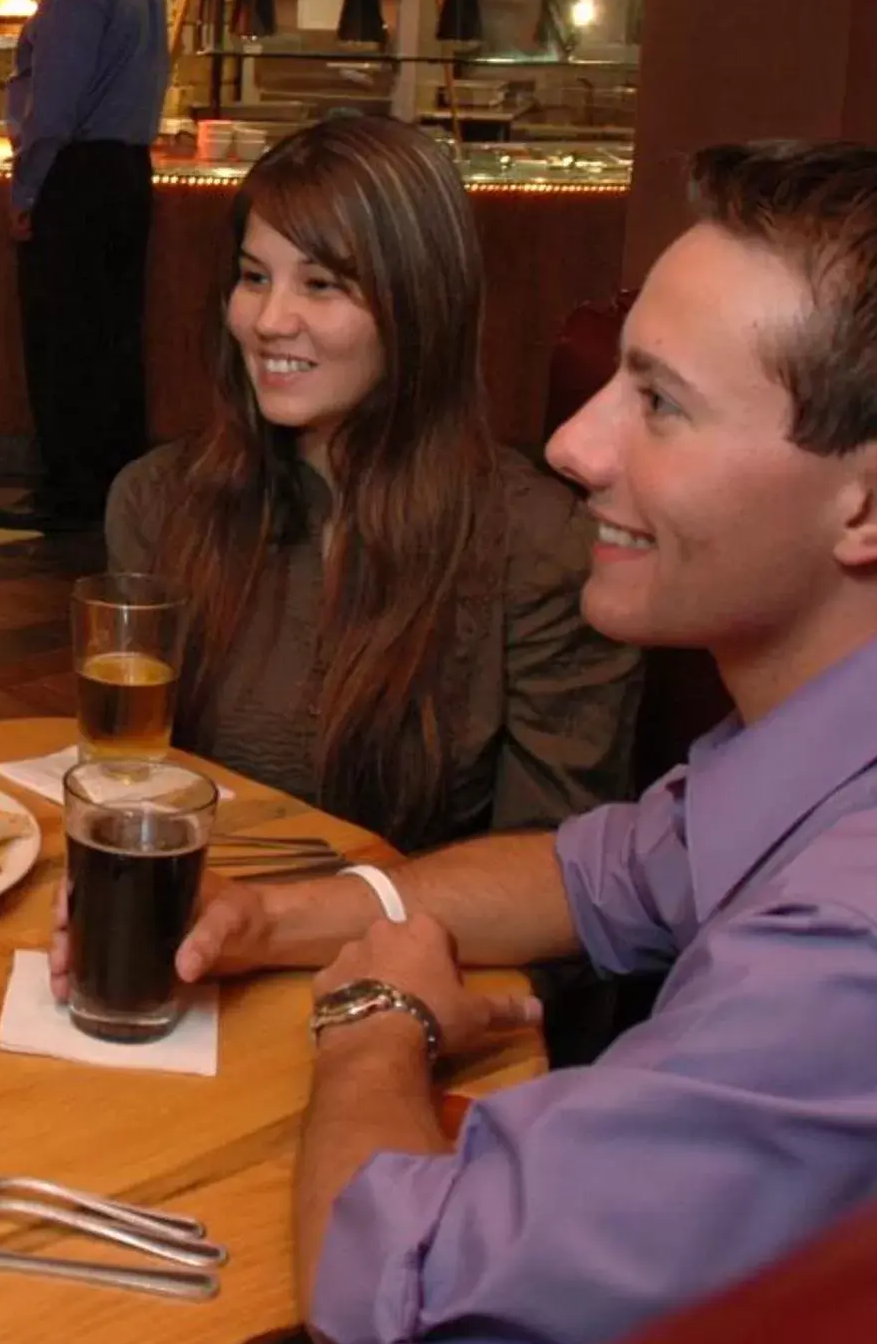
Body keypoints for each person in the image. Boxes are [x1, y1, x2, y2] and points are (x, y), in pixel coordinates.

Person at [72, 142, 877, 1344]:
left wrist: (377, 1019)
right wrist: (266, 918)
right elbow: (596, 873)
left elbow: (398, 1301)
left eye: (658, 401)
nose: (574, 445)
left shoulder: (875, 957)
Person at [105, 116, 639, 849]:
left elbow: (555, 885)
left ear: (419, 307)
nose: (267, 319)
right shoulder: (158, 502)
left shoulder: (541, 550)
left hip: (411, 954)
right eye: (253, 276)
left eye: (320, 284)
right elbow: (130, 789)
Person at [0, 0, 174, 533]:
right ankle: (115, 490)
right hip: (128, 172)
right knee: (113, 337)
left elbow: (54, 106)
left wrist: (27, 189)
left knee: (62, 339)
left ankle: (69, 493)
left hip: (77, 177)